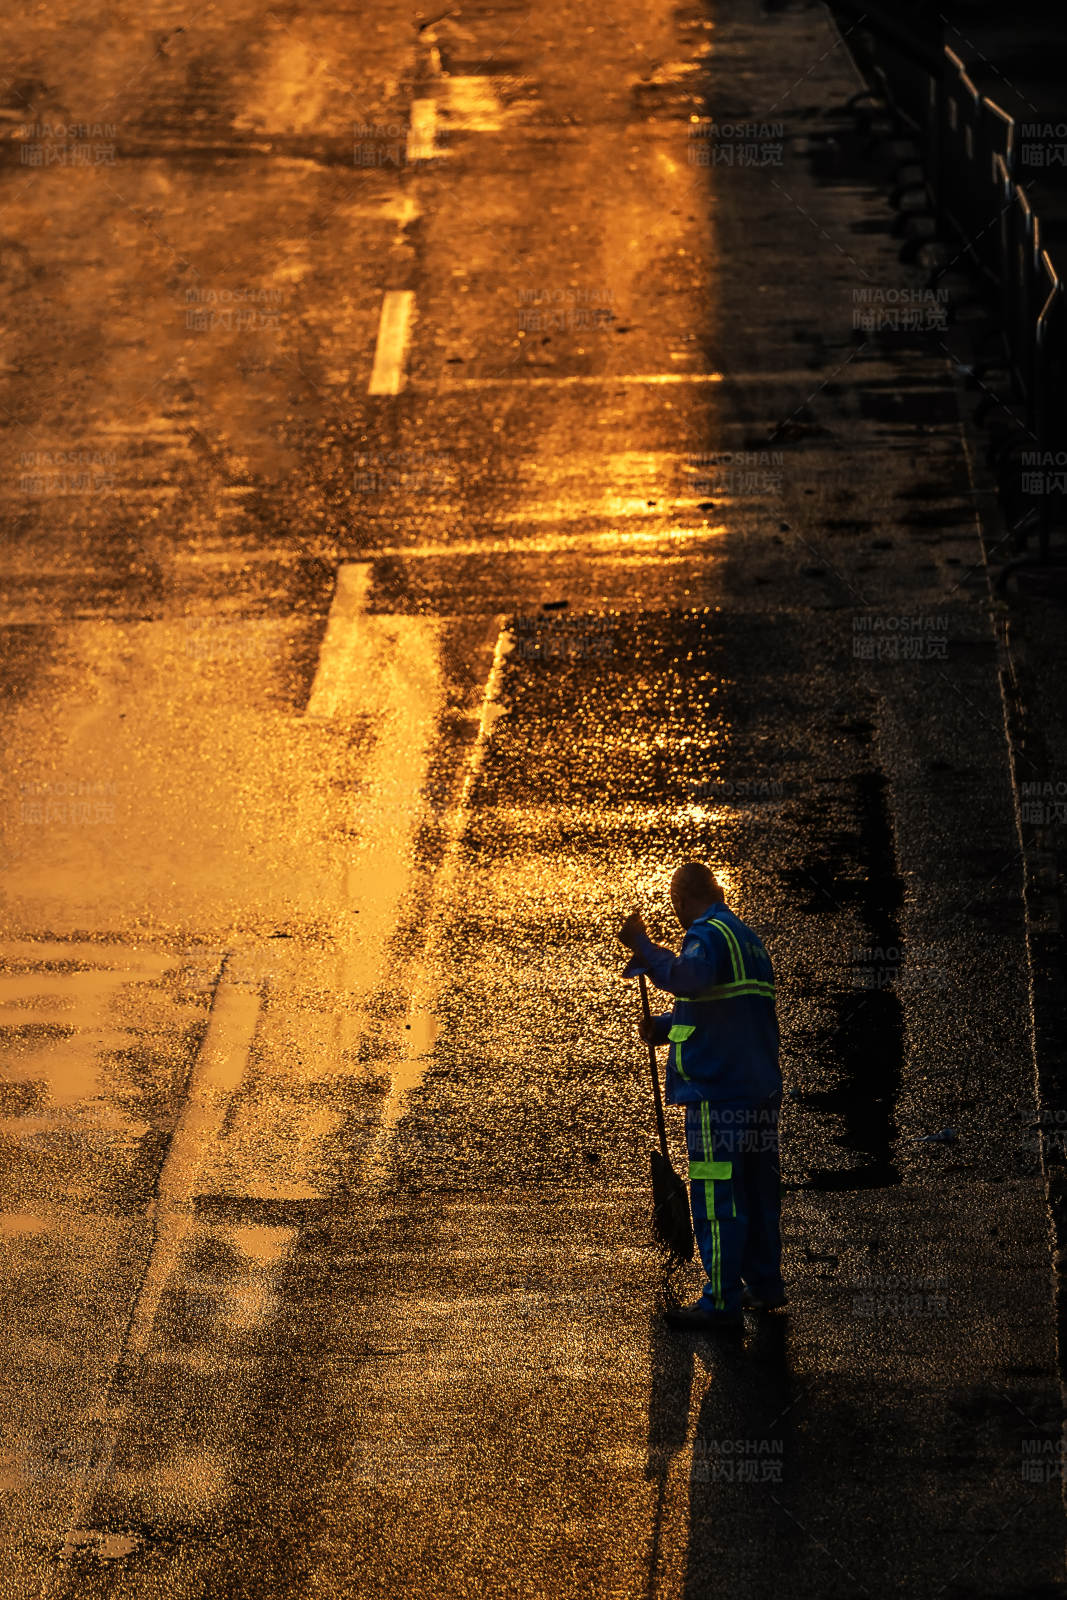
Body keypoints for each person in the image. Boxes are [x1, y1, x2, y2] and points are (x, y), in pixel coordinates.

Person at [618, 861, 786, 1332]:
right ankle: (765, 1285)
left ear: (680, 899)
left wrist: (644, 947)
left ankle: (719, 1301)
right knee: (757, 1188)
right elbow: (723, 1011)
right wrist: (668, 1029)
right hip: (757, 1092)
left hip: (718, 1097)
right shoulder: (748, 941)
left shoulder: (706, 933)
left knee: (715, 1194)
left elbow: (688, 977)